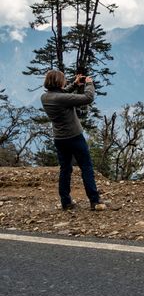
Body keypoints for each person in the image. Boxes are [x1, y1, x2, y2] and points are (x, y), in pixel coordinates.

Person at [40, 70, 107, 211]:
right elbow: (88, 98)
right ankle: (94, 201)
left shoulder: (45, 97)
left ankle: (66, 202)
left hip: (59, 139)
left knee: (65, 169)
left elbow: (62, 95)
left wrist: (74, 84)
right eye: (63, 80)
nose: (65, 82)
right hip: (75, 137)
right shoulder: (60, 98)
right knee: (86, 167)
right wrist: (89, 84)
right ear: (59, 82)